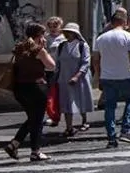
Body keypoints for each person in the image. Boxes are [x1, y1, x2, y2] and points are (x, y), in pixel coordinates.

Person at [5, 22, 56, 161]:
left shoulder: (20, 48)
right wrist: (44, 49)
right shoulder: (38, 50)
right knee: (37, 120)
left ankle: (14, 144)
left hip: (20, 88)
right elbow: (51, 65)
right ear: (40, 36)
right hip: (36, 87)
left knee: (32, 118)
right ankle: (35, 151)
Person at [92, 9, 130, 149]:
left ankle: (111, 137)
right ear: (124, 22)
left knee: (109, 107)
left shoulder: (100, 38)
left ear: (111, 22)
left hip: (107, 77)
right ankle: (125, 130)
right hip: (125, 75)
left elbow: (95, 60)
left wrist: (99, 75)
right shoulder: (128, 37)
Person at [55, 22, 93, 136]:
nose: (67, 34)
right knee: (67, 102)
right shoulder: (61, 46)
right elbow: (57, 62)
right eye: (66, 32)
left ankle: (84, 121)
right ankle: (69, 127)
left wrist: (77, 76)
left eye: (70, 32)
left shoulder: (82, 46)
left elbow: (86, 62)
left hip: (80, 77)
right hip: (64, 77)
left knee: (81, 99)